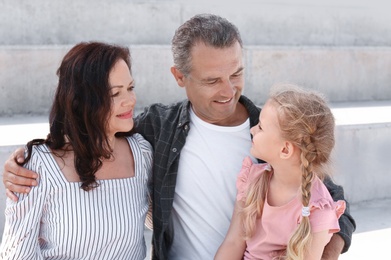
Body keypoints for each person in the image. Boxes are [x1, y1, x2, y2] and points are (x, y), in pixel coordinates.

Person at [2, 14, 355, 259]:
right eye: (212, 80)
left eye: (236, 73)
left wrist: (324, 250)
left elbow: (332, 203)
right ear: (179, 76)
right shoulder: (156, 129)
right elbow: (95, 123)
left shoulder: (274, 133)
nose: (228, 90)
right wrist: (28, 159)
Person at [0, 42, 153, 259]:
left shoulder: (141, 152)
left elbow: (158, 220)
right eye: (115, 94)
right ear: (82, 101)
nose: (130, 101)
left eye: (130, 88)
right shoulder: (40, 166)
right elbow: (17, 253)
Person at [215, 84, 346, 260]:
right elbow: (234, 242)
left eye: (260, 127)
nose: (253, 130)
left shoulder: (317, 209)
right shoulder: (252, 179)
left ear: (285, 150)